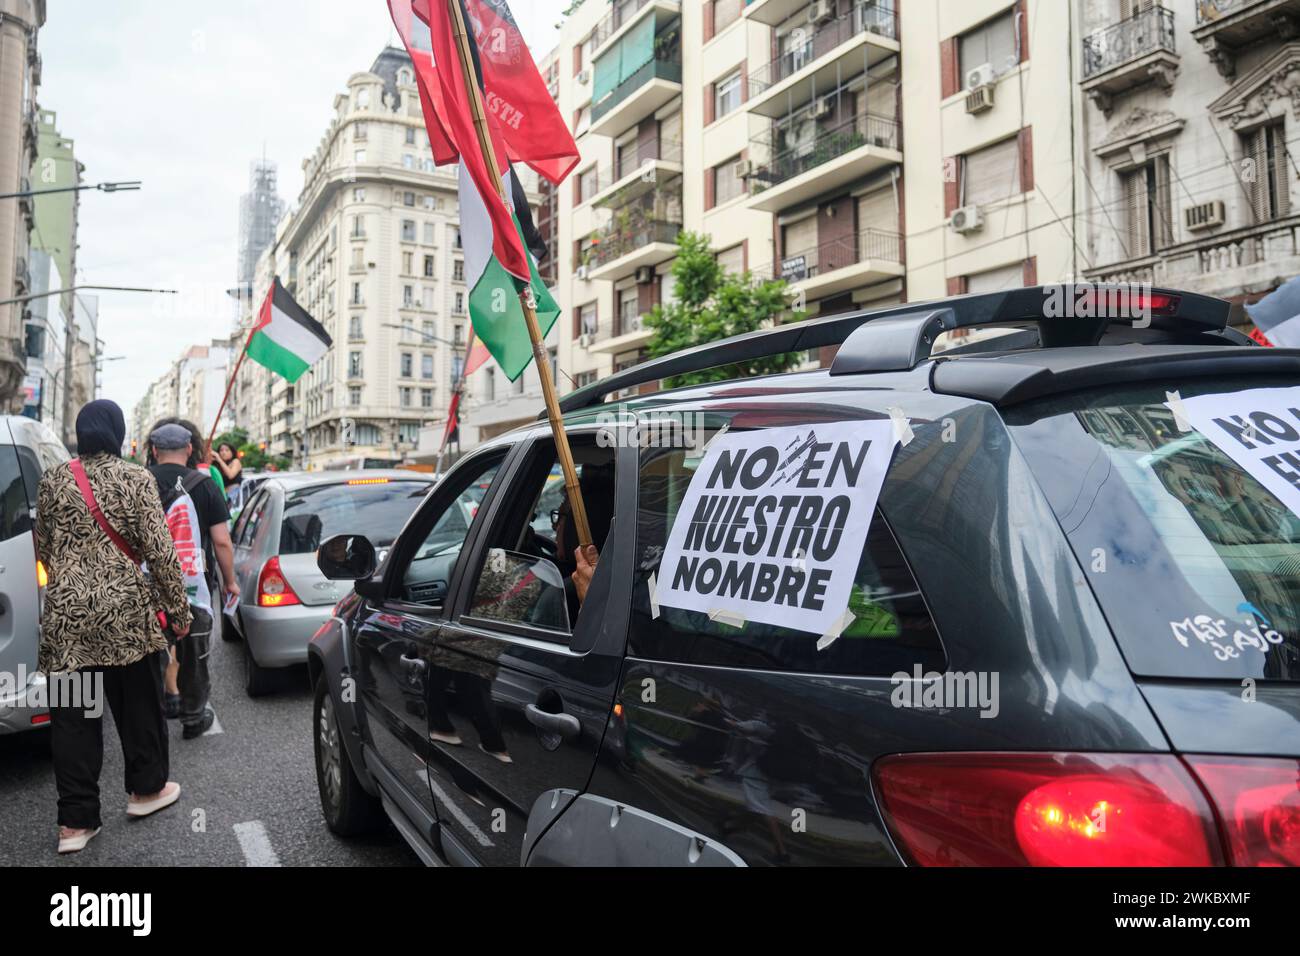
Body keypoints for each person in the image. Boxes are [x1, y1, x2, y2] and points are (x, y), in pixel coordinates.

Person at [38, 400, 193, 855]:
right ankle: (146, 792)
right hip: (126, 617)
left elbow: (43, 549)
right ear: (118, 433)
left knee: (73, 722)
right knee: (138, 707)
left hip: (67, 621)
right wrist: (179, 614)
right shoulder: (135, 478)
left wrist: (72, 579)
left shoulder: (52, 480)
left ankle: (74, 824)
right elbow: (162, 555)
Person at [147, 421, 240, 738]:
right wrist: (230, 582)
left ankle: (153, 718)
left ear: (154, 450)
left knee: (153, 654)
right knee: (194, 655)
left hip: (148, 587)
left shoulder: (139, 482)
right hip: (194, 586)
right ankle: (193, 716)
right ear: (189, 449)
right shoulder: (204, 484)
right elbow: (222, 542)